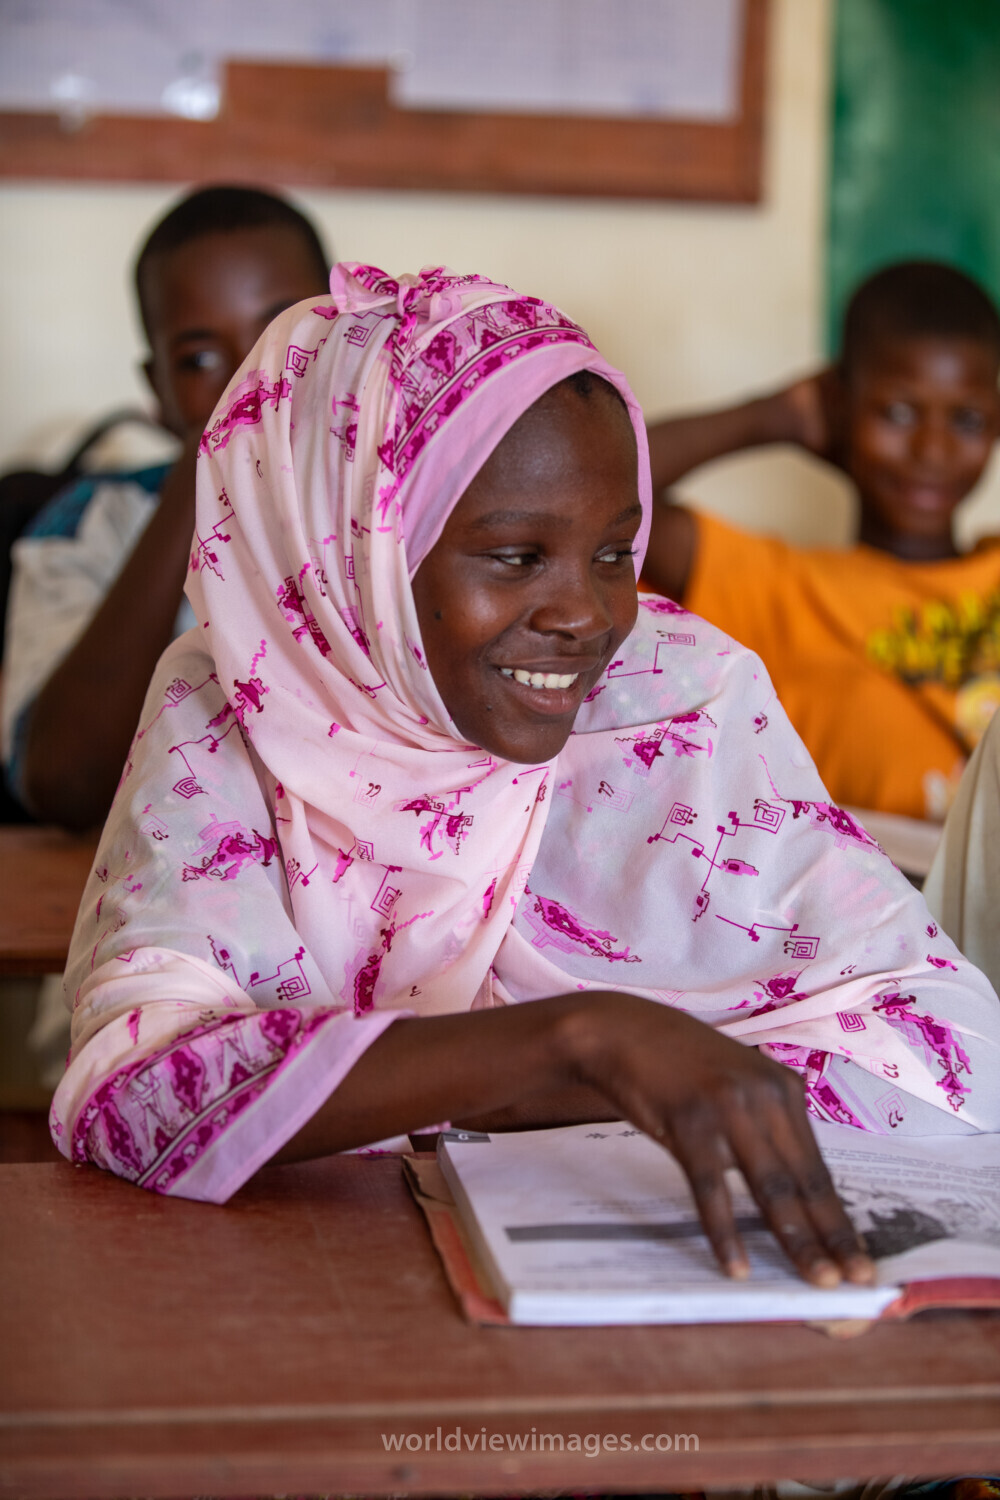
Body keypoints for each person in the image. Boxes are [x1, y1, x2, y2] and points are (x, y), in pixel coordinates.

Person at [51, 264, 1000, 1291]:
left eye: (612, 554)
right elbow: (138, 1093)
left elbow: (941, 1049)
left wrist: (546, 1075)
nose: (586, 616)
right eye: (514, 556)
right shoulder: (236, 703)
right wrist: (576, 1045)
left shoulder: (677, 701)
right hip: (306, 1302)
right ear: (358, 556)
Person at [0, 184, 332, 831]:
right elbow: (65, 784)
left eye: (283, 329)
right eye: (201, 359)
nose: (251, 375)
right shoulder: (91, 524)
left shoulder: (411, 504)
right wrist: (202, 469)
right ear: (158, 391)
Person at [641, 261, 1000, 823]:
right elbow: (596, 494)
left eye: (968, 420)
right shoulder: (780, 587)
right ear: (839, 405)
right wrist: (774, 417)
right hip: (876, 894)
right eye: (898, 412)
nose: (933, 452)